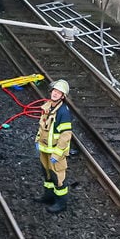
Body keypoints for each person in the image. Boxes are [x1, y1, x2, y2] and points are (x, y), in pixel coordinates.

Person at [35, 79, 73, 213]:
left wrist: (57, 154)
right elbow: (42, 127)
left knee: (58, 177)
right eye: (55, 91)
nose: (55, 94)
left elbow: (66, 135)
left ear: (63, 96)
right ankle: (49, 196)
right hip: (45, 149)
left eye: (59, 93)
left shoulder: (63, 112)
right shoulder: (48, 107)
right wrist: (37, 141)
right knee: (47, 175)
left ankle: (61, 203)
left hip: (55, 152)